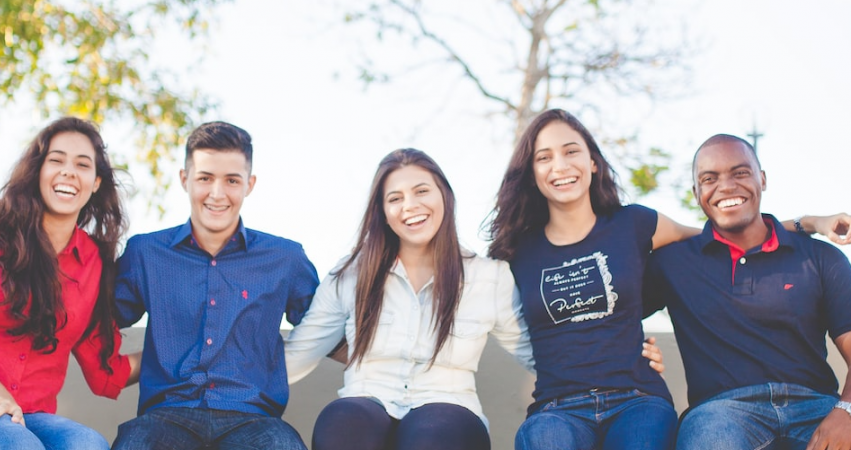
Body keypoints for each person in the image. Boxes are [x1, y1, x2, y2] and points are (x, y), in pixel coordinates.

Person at [485, 109, 845, 450]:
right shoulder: (520, 250)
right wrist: (631, 344)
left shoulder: (637, 224)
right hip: (584, 407)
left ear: (593, 162)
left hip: (651, 399)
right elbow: (597, 314)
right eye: (544, 157)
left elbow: (733, 231)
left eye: (571, 151)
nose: (561, 165)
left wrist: (808, 223)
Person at [283, 148, 665, 450]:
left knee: (431, 432)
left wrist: (624, 354)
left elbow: (543, 353)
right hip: (366, 397)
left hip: (448, 408)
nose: (410, 206)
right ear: (382, 212)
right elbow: (299, 352)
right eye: (395, 198)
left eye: (421, 191)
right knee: (344, 421)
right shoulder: (350, 275)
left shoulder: (488, 277)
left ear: (444, 196)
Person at [112, 121, 319, 450]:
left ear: (249, 184)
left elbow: (326, 326)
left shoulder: (286, 258)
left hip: (254, 420)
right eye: (205, 178)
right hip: (165, 416)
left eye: (232, 180)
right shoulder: (145, 253)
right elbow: (95, 318)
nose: (217, 193)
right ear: (185, 179)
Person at [643, 134, 851, 450]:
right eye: (709, 179)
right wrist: (638, 351)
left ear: (762, 179)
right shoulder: (672, 262)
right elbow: (608, 315)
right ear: (696, 193)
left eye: (740, 173)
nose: (726, 186)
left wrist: (846, 410)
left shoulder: (819, 257)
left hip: (815, 406)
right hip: (721, 413)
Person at [0, 117, 140, 450]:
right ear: (37, 171)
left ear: (96, 182)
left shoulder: (93, 263)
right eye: (56, 160)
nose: (68, 172)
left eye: (82, 165)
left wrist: (179, 349)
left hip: (29, 415)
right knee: (17, 444)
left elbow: (108, 372)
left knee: (88, 444)